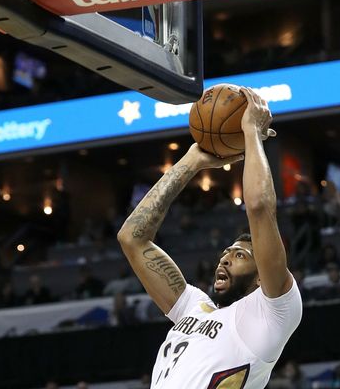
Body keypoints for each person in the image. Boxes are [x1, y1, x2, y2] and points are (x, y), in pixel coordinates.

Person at [117, 87, 302, 389]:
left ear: (261, 277)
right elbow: (131, 239)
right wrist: (191, 163)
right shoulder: (194, 307)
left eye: (240, 255)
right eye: (227, 252)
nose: (226, 257)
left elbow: (258, 208)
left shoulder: (274, 313)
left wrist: (252, 132)